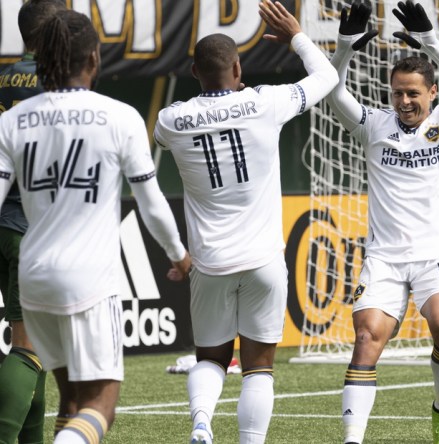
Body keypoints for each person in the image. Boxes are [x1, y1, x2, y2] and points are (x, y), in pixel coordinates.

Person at [0, 9, 191, 444]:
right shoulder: (120, 117)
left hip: (33, 276)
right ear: (93, 60)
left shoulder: (11, 121)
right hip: (88, 281)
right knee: (101, 405)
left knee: (69, 401)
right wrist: (179, 254)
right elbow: (152, 203)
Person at [153, 2, 338, 443]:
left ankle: (201, 421)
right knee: (258, 367)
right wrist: (296, 35)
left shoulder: (170, 120)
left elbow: (163, 136)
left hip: (210, 263)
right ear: (239, 68)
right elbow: (327, 78)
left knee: (212, 359)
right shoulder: (265, 102)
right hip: (263, 260)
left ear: (194, 70)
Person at [326, 2, 439, 443]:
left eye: (413, 93)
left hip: (436, 257)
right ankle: (353, 440)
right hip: (385, 259)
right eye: (397, 93)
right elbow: (334, 93)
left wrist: (432, 43)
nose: (405, 101)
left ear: (431, 93)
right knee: (367, 338)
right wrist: (343, 49)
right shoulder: (374, 124)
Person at [0, 2, 67, 442]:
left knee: (34, 343)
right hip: (35, 228)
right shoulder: (60, 83)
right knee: (28, 347)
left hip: (6, 222)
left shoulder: (3, 77)